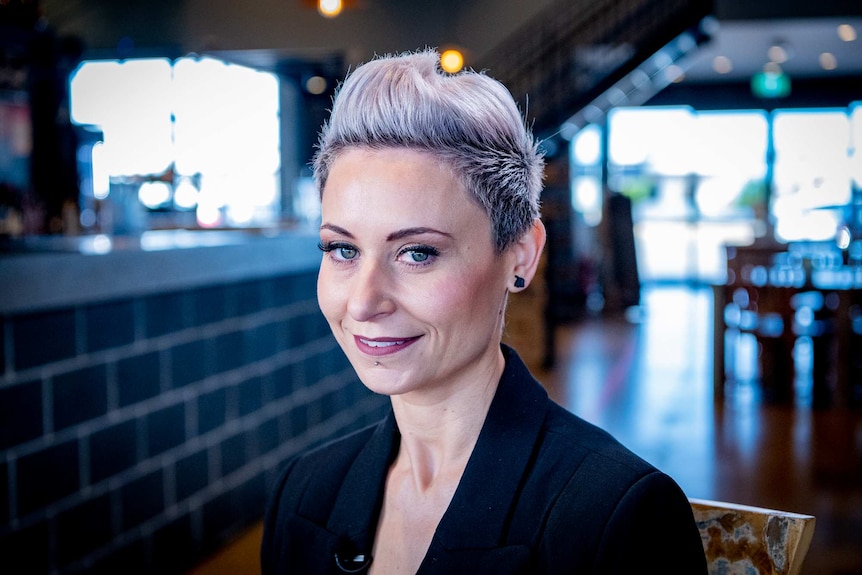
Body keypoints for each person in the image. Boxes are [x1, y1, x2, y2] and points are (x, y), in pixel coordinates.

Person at [261, 48, 708, 575]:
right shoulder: (302, 491)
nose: (363, 302)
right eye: (342, 250)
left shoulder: (616, 515)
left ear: (520, 255)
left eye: (417, 253)